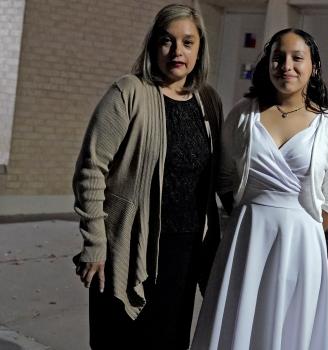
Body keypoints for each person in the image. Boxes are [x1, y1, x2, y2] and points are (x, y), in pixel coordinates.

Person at [72, 4, 223, 349]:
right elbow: (91, 170)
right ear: (154, 45)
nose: (177, 52)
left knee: (170, 340)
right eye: (167, 41)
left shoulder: (208, 102)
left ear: (200, 50)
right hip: (128, 246)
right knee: (121, 340)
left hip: (184, 252)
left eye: (188, 42)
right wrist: (95, 243)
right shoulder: (128, 93)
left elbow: (219, 179)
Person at [191, 28, 328, 350]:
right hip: (248, 239)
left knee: (287, 330)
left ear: (314, 67)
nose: (286, 66)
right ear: (268, 64)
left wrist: (300, 231)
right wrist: (249, 220)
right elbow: (223, 179)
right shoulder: (243, 113)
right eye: (278, 58)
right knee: (240, 323)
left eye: (297, 58)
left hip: (302, 248)